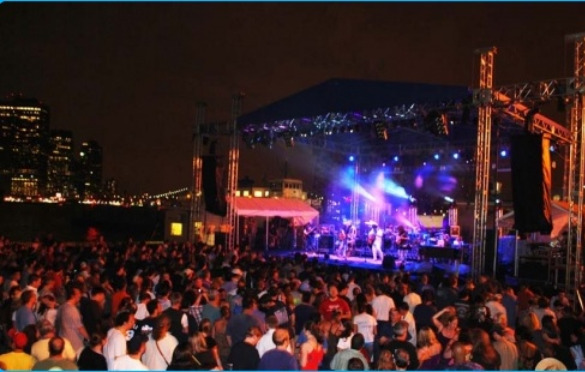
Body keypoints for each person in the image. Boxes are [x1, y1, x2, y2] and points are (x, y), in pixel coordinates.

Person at [56, 281, 90, 353]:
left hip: (65, 340)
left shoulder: (62, 307)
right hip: (74, 344)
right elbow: (80, 328)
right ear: (74, 293)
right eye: (80, 292)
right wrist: (89, 339)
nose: (80, 295)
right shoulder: (72, 309)